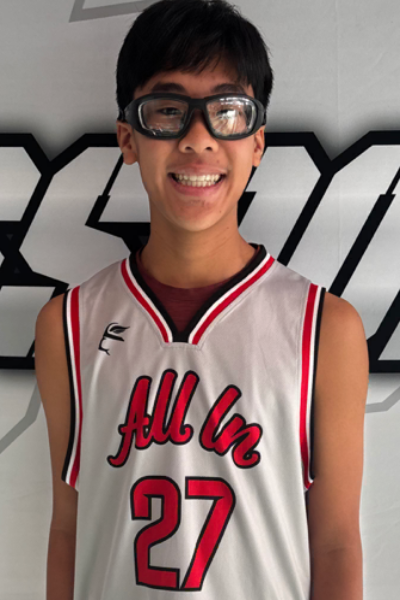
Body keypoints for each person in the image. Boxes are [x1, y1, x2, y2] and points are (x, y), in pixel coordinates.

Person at [35, 1, 369, 599]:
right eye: (168, 110)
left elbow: (337, 544)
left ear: (257, 141)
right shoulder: (67, 323)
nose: (197, 139)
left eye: (226, 111)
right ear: (128, 138)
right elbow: (68, 528)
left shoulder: (326, 327)